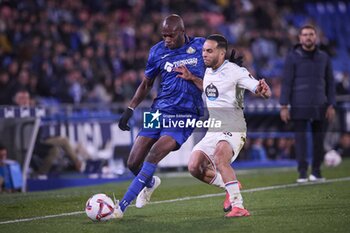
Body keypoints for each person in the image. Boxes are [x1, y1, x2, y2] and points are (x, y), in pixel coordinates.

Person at [114, 14, 206, 218]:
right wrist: (130, 109)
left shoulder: (201, 46)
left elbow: (217, 68)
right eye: (164, 35)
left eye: (171, 36)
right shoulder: (156, 51)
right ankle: (150, 182)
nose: (167, 40)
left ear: (182, 32)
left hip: (185, 112)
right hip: (157, 110)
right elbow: (146, 83)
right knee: (132, 163)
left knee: (154, 152)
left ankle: (121, 207)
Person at [187, 34, 271, 218]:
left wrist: (263, 89)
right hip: (214, 128)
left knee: (219, 158)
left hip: (233, 126)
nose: (204, 55)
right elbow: (211, 88)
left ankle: (238, 206)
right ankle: (230, 184)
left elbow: (258, 87)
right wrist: (192, 78)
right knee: (194, 166)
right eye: (203, 51)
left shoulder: (235, 71)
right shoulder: (208, 71)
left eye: (209, 51)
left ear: (222, 53)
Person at [279, 25, 336, 183]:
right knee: (301, 140)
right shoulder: (292, 56)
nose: (308, 37)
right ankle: (303, 172)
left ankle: (316, 171)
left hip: (320, 104)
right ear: (300, 38)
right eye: (305, 34)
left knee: (319, 140)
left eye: (311, 34)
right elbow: (287, 82)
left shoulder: (324, 57)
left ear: (315, 37)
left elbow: (330, 83)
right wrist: (284, 105)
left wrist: (331, 104)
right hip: (299, 104)